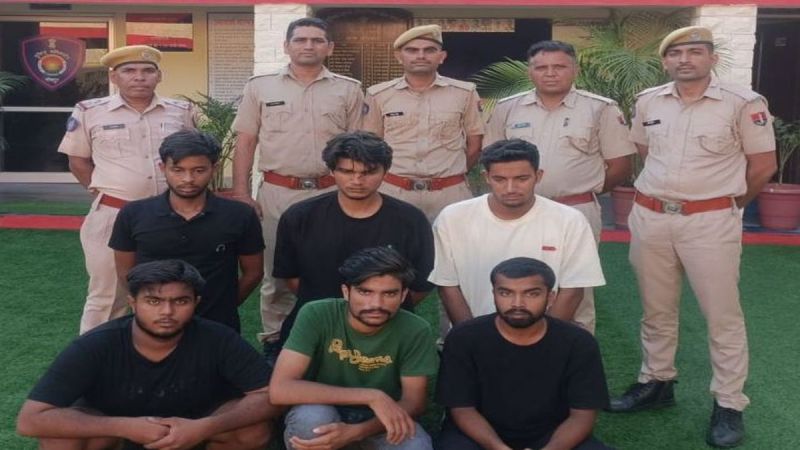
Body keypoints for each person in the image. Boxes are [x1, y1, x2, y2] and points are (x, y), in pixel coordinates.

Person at [606, 26, 777, 449]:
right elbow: (647, 152)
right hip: (651, 217)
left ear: (712, 58)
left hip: (710, 221)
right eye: (676, 53)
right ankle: (656, 382)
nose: (685, 60)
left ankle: (729, 402)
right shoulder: (649, 101)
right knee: (656, 309)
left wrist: (727, 205)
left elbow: (762, 166)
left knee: (722, 316)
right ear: (666, 61)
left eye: (695, 52)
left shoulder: (742, 102)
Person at [16, 259, 278, 450]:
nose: (167, 312)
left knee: (251, 431)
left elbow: (270, 395)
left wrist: (205, 426)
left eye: (180, 301)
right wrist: (124, 426)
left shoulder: (218, 338)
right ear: (133, 302)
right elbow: (31, 419)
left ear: (195, 303)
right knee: (61, 438)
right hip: (115, 432)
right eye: (153, 301)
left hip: (195, 429)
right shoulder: (96, 344)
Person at [231, 17, 364, 359]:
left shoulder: (348, 89)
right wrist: (242, 193)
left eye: (317, 40)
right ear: (286, 46)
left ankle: (337, 339)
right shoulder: (260, 87)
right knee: (277, 272)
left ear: (329, 48)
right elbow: (245, 141)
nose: (308, 46)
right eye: (301, 40)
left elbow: (357, 146)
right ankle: (275, 341)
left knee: (338, 267)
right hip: (279, 192)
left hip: (332, 192)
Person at [485, 40, 637, 334]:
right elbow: (492, 158)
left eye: (559, 67)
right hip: (519, 212)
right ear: (530, 71)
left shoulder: (600, 109)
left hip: (576, 209)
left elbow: (620, 165)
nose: (550, 73)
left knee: (576, 286)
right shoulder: (508, 108)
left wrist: (584, 190)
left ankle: (575, 351)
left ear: (574, 70)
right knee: (514, 280)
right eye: (541, 67)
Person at [58, 45, 197, 334]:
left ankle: (170, 351)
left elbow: (194, 158)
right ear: (114, 77)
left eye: (147, 71)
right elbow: (78, 161)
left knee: (174, 289)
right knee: (108, 295)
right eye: (129, 71)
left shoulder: (180, 111)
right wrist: (103, 192)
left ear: (159, 76)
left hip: (170, 216)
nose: (139, 77)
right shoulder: (90, 112)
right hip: (114, 213)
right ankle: (97, 355)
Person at [273, 131, 434, 353]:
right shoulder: (300, 217)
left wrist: (376, 309)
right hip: (316, 329)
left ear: (385, 171)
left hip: (388, 332)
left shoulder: (410, 220)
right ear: (332, 171)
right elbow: (291, 277)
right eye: (347, 171)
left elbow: (421, 285)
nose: (357, 181)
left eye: (368, 172)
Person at [270, 247, 438, 450]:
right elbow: (280, 389)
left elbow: (414, 402)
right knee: (311, 419)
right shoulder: (317, 314)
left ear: (403, 296)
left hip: (382, 418)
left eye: (389, 293)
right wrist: (371, 396)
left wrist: (356, 432)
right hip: (324, 406)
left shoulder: (415, 329)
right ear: (346, 292)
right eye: (365, 292)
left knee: (415, 446)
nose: (376, 304)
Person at [437, 257, 612, 450]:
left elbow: (582, 415)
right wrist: (499, 448)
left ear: (551, 297)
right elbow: (462, 408)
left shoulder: (578, 342)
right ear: (494, 294)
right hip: (480, 436)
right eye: (506, 293)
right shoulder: (464, 337)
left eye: (531, 294)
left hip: (554, 436)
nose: (517, 303)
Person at [429, 138, 605, 328]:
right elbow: (448, 286)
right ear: (486, 177)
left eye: (521, 179)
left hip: (545, 337)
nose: (511, 188)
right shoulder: (453, 218)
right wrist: (472, 337)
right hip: (472, 336)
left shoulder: (570, 221)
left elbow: (573, 290)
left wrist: (543, 338)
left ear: (538, 176)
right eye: (500, 179)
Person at [109, 130, 264, 332]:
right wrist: (150, 307)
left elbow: (253, 272)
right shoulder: (133, 214)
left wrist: (225, 305)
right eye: (178, 170)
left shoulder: (240, 215)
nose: (188, 179)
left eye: (199, 170)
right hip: (153, 326)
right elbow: (125, 273)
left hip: (218, 325)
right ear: (163, 168)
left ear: (214, 168)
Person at [362, 24, 485, 221]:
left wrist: (449, 176)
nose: (421, 56)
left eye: (429, 50)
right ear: (399, 56)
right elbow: (371, 145)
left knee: (451, 241)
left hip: (449, 194)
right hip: (394, 192)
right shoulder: (379, 95)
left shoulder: (465, 93)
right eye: (412, 50)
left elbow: (475, 145)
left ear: (442, 56)